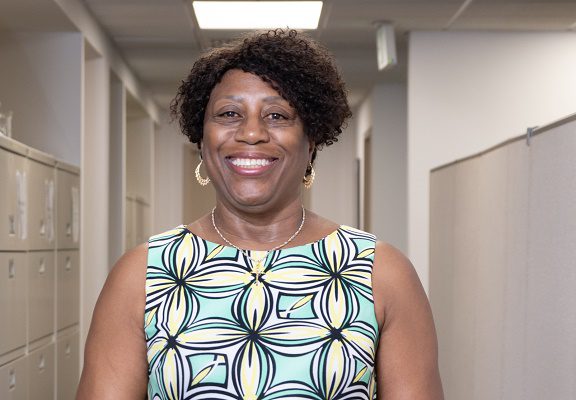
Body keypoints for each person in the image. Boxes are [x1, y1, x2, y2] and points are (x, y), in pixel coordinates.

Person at [76, 29, 443, 399]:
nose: (252, 132)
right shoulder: (142, 274)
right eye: (229, 113)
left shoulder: (381, 272)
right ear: (202, 141)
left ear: (310, 140)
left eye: (277, 115)